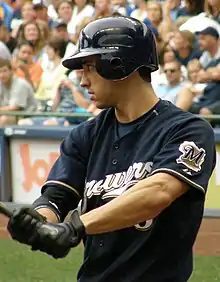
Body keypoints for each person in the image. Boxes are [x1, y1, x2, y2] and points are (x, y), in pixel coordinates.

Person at [7, 16, 216, 282]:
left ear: (118, 65)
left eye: (89, 68)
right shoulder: (85, 135)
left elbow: (158, 193)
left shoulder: (189, 130)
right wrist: (36, 221)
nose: (82, 81)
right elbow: (55, 200)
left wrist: (76, 226)